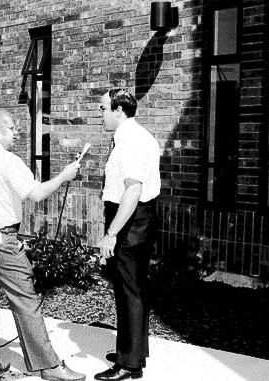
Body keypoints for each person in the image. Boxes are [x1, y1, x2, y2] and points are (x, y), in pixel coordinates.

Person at [0, 110, 85, 381]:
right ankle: (50, 367)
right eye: (11, 128)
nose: (16, 133)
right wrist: (64, 177)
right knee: (25, 301)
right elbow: (36, 194)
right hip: (1, 241)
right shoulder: (8, 161)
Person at [93, 89, 160, 381]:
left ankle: (128, 364)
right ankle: (133, 351)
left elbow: (132, 190)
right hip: (137, 219)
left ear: (119, 110)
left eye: (104, 109)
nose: (101, 114)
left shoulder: (130, 141)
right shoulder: (134, 136)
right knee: (135, 288)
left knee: (128, 290)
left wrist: (111, 233)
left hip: (129, 220)